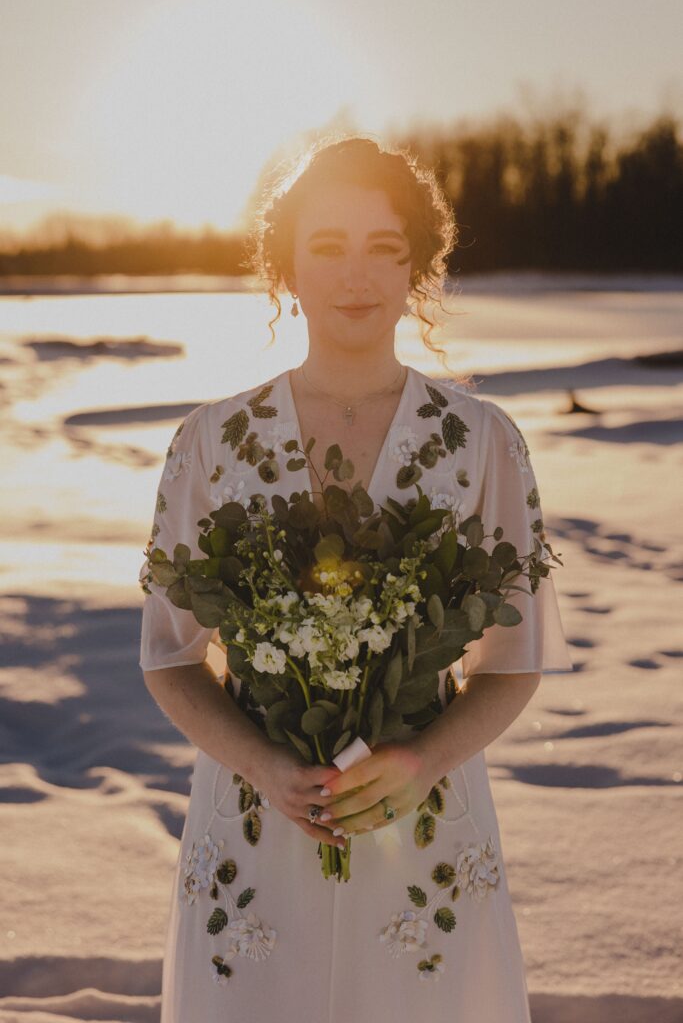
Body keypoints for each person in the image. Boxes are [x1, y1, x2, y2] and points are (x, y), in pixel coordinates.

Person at [139, 135, 574, 1021]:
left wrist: (423, 760)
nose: (356, 275)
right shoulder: (209, 444)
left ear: (417, 266)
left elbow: (512, 657)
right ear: (286, 265)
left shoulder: (484, 440)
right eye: (328, 247)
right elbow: (170, 658)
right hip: (254, 831)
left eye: (384, 248)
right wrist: (263, 765)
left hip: (423, 827)